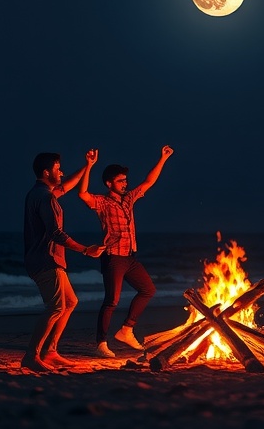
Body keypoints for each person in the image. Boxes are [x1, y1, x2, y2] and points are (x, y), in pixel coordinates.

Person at [79, 145, 174, 356]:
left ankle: (126, 330)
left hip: (130, 257)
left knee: (148, 289)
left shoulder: (128, 199)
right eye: (121, 181)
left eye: (125, 180)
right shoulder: (102, 202)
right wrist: (89, 165)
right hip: (113, 258)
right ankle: (101, 344)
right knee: (111, 300)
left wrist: (163, 158)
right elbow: (83, 193)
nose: (125, 184)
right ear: (109, 183)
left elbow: (149, 182)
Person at [22, 151, 105, 371]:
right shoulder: (44, 197)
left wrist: (88, 166)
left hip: (48, 259)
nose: (62, 172)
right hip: (46, 259)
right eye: (58, 169)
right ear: (46, 172)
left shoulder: (41, 193)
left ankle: (50, 352)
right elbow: (56, 233)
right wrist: (86, 250)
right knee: (56, 306)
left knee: (69, 302)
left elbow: (66, 186)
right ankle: (31, 356)